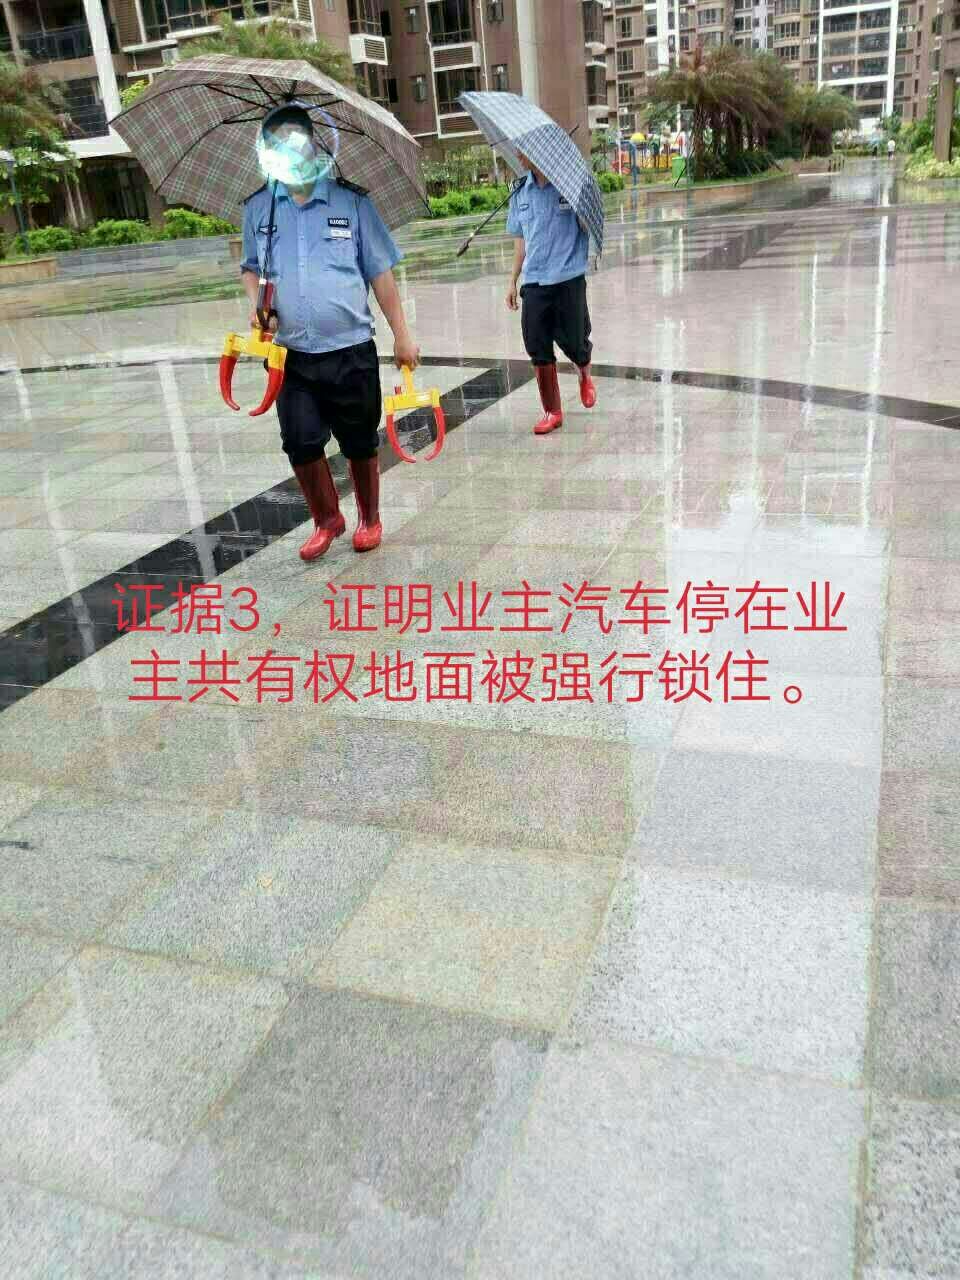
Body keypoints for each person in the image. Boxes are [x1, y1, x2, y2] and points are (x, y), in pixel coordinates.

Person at [240, 102, 419, 561]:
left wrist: (402, 334)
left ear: (313, 144)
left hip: (350, 349)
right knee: (299, 441)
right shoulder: (259, 208)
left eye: (293, 141)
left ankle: (369, 518)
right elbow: (251, 268)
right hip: (290, 355)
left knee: (359, 439)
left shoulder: (352, 202)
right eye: (275, 144)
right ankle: (326, 519)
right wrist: (258, 307)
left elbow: (380, 273)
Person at [505, 152, 596, 436]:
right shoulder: (519, 191)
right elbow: (521, 241)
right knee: (535, 342)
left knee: (575, 341)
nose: (519, 155)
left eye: (524, 150)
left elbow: (587, 227)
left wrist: (583, 207)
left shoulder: (570, 185)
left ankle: (584, 371)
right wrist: (512, 281)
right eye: (518, 149)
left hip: (568, 276)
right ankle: (552, 411)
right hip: (534, 279)